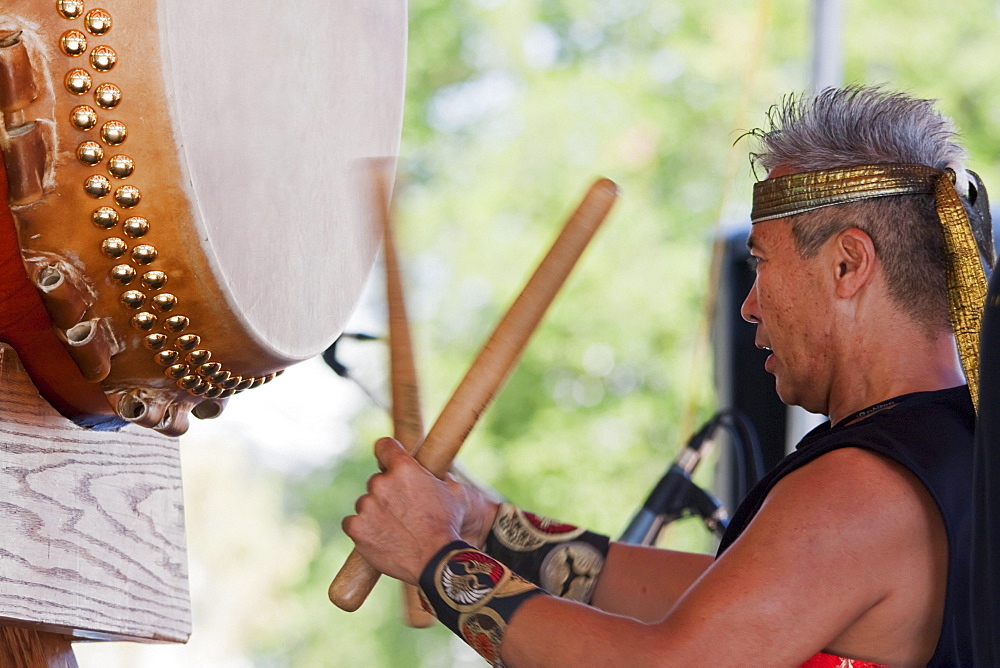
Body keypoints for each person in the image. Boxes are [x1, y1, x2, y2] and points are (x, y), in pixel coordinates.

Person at [343, 85, 992, 667]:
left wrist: (434, 558)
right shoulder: (946, 446)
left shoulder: (865, 487)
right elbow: (720, 607)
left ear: (848, 265)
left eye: (760, 261)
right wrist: (486, 524)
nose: (749, 304)